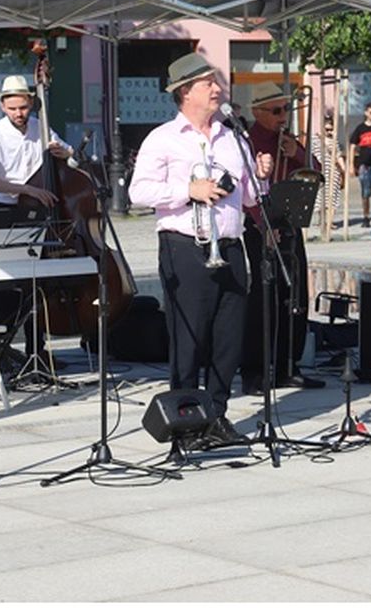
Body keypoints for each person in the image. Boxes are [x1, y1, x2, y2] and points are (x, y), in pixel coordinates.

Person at [129, 54, 272, 448]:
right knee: (189, 338)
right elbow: (137, 192)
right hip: (184, 247)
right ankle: (186, 418)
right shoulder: (162, 138)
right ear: (185, 92)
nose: (216, 88)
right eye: (207, 83)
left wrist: (260, 176)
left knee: (229, 337)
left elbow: (250, 198)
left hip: (230, 244)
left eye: (215, 82)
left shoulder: (234, 137)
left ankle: (217, 415)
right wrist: (188, 191)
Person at [239, 83, 325, 394]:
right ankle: (254, 371)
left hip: (289, 222)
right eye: (276, 111)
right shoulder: (247, 142)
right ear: (257, 112)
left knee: (296, 294)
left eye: (285, 110)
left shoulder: (287, 141)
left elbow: (316, 172)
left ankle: (289, 365)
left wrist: (297, 152)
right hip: (257, 226)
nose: (283, 116)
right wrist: (263, 223)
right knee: (264, 297)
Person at [0, 74, 73, 207]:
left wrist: (65, 153)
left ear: (31, 103)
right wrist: (28, 190)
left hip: (35, 202)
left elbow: (69, 151)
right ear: (2, 107)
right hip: (1, 203)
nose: (18, 114)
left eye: (23, 107)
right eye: (12, 109)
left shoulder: (41, 127)